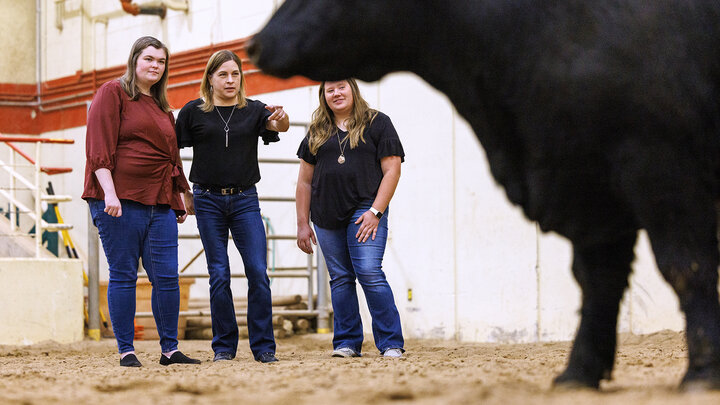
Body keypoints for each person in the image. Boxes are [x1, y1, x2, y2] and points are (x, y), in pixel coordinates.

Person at [83, 36, 201, 367]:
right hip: (119, 200)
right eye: (149, 59)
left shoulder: (163, 107)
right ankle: (126, 350)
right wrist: (109, 192)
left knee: (167, 276)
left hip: (159, 202)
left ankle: (169, 349)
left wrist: (183, 193)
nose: (155, 66)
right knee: (123, 274)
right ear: (135, 59)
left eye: (161, 62)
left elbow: (171, 156)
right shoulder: (113, 93)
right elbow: (98, 146)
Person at [175, 50, 289, 363]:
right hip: (207, 200)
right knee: (219, 274)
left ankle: (264, 346)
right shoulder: (192, 112)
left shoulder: (254, 110)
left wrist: (282, 118)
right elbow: (172, 153)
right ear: (209, 79)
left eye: (235, 74)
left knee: (257, 271)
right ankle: (224, 347)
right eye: (223, 75)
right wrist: (183, 190)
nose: (230, 80)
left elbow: (280, 126)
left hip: (245, 200)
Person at [296, 79, 405, 358]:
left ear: (353, 89)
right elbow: (304, 182)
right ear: (324, 96)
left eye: (341, 87)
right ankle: (346, 342)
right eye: (330, 89)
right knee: (341, 278)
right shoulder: (317, 130)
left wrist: (376, 212)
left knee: (368, 271)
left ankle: (391, 342)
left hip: (366, 210)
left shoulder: (378, 123)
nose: (336, 93)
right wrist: (302, 223)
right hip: (325, 214)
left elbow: (392, 170)